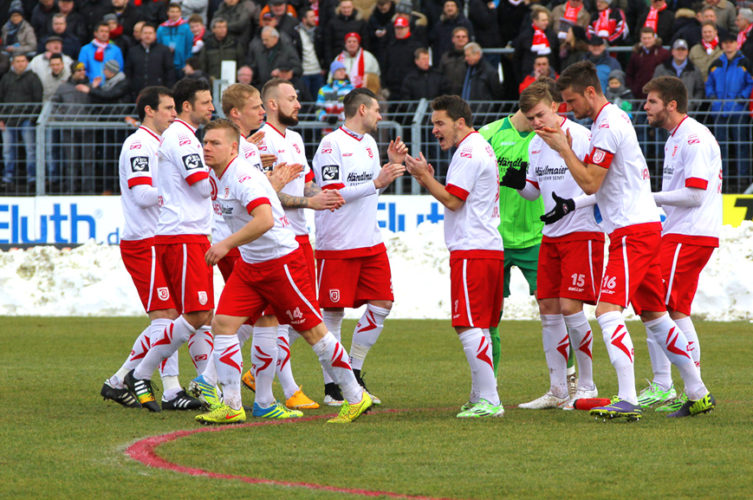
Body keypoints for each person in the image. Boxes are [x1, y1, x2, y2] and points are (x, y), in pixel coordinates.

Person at [536, 60, 716, 420]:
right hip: (641, 227)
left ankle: (627, 399)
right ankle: (697, 391)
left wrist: (563, 150)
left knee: (606, 311)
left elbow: (590, 181)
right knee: (654, 314)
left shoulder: (608, 125)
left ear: (591, 92)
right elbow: (601, 186)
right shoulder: (610, 121)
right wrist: (570, 195)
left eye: (571, 102)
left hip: (632, 233)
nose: (569, 109)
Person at [195, 118, 373, 424]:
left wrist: (225, 245)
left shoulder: (240, 176)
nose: (207, 148)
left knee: (314, 332)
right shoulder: (219, 175)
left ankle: (355, 396)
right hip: (251, 265)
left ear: (233, 148)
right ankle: (232, 405)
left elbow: (264, 220)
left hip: (280, 264)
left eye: (215, 143)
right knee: (223, 324)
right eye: (205, 143)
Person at [239, 79, 344, 412]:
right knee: (286, 316)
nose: (299, 104)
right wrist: (309, 203)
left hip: (300, 238)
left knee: (293, 316)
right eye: (292, 98)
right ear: (272, 104)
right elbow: (269, 196)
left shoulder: (296, 138)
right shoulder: (260, 142)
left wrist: (323, 196)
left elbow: (306, 183)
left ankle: (258, 372)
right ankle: (283, 386)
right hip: (276, 238)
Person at [102, 86, 202, 412]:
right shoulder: (138, 145)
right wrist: (177, 193)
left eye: (175, 108)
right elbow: (143, 194)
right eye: (168, 108)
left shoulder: (161, 143)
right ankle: (168, 389)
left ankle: (120, 382)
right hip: (143, 242)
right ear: (149, 111)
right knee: (166, 319)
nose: (174, 114)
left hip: (160, 240)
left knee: (172, 318)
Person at [405, 95, 504, 418]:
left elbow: (452, 200)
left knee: (468, 324)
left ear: (460, 122)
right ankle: (481, 396)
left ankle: (489, 400)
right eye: (433, 123)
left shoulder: (469, 151)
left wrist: (423, 176)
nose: (434, 130)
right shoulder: (479, 147)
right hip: (487, 247)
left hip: (472, 248)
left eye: (439, 123)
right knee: (481, 326)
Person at [124, 78, 217, 412]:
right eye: (206, 102)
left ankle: (183, 384)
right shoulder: (182, 139)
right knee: (193, 314)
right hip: (180, 236)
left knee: (201, 315)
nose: (212, 107)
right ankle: (142, 373)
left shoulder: (182, 138)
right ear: (187, 106)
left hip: (188, 235)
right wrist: (230, 171)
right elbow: (202, 186)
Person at [312, 88, 406, 405]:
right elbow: (333, 194)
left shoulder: (368, 144)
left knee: (383, 303)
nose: (381, 115)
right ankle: (333, 388)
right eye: (377, 109)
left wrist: (388, 170)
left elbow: (368, 192)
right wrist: (376, 182)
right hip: (337, 244)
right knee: (333, 314)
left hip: (369, 241)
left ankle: (352, 371)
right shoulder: (330, 145)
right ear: (362, 110)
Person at [512, 80, 603, 410]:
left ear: (556, 107)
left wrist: (571, 205)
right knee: (548, 310)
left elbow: (596, 185)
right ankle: (558, 390)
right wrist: (518, 184)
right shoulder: (535, 144)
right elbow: (535, 191)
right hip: (549, 236)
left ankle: (588, 386)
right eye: (530, 118)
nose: (536, 123)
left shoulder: (580, 136)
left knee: (570, 308)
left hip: (581, 232)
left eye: (540, 115)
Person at [640, 75, 722, 413]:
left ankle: (680, 388)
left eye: (652, 102)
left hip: (689, 234)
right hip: (678, 233)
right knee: (671, 308)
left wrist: (648, 198)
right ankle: (678, 386)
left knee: (661, 308)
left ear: (671, 105)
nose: (645, 107)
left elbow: (695, 193)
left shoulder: (693, 138)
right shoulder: (675, 138)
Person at [705, 32, 753, 190]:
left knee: (741, 146)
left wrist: (742, 97)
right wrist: (712, 97)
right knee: (720, 148)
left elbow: (750, 83)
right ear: (722, 45)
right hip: (719, 112)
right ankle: (722, 180)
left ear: (736, 44)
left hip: (738, 111)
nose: (728, 45)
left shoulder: (745, 62)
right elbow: (709, 83)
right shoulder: (716, 63)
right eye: (725, 42)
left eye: (731, 42)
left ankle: (742, 180)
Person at [0, 53, 43, 192]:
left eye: (23, 61)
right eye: (17, 61)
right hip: (8, 119)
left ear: (27, 62)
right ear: (13, 63)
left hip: (26, 119)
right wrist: (1, 118)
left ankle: (32, 178)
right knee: (7, 150)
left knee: (30, 150)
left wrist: (32, 118)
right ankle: (8, 177)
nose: (20, 64)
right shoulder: (6, 79)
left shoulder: (33, 78)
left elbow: (38, 99)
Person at [126, 22, 175, 99]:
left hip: (159, 92)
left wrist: (167, 90)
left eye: (150, 33)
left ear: (155, 35)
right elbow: (128, 71)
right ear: (141, 35)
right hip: (137, 93)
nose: (147, 35)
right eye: (145, 33)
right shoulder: (133, 51)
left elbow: (170, 71)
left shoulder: (164, 50)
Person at [513, 7, 559, 88]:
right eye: (543, 20)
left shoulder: (552, 35)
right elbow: (517, 58)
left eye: (547, 20)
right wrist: (520, 79)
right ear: (535, 21)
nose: (546, 22)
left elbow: (556, 55)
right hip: (528, 77)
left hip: (550, 78)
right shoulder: (525, 36)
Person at [626, 27, 670, 100]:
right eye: (644, 38)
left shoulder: (663, 53)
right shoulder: (636, 54)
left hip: (659, 93)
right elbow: (630, 73)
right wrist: (633, 88)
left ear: (654, 38)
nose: (647, 41)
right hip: (639, 94)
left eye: (649, 38)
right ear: (641, 39)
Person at [429, 0, 474, 66]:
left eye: (452, 6)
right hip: (443, 63)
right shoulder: (439, 25)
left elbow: (470, 42)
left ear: (457, 8)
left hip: (463, 63)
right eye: (447, 6)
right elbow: (434, 44)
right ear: (444, 9)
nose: (450, 8)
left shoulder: (465, 24)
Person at [157, 3, 194, 75]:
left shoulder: (186, 27)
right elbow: (158, 46)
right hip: (166, 66)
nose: (175, 14)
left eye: (177, 12)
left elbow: (189, 47)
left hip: (182, 65)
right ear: (168, 13)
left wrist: (187, 64)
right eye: (172, 11)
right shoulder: (161, 28)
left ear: (180, 13)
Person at [316, 60, 353, 124]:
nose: (342, 72)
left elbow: (354, 108)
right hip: (328, 128)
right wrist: (325, 117)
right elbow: (319, 108)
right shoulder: (323, 90)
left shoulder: (351, 89)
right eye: (338, 70)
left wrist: (341, 117)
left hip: (346, 128)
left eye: (343, 70)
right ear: (333, 73)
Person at [438, 26, 469, 96]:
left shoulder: (471, 58)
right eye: (458, 37)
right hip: (448, 96)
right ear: (453, 39)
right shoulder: (445, 57)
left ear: (467, 39)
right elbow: (439, 76)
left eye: (463, 37)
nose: (461, 39)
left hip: (465, 95)